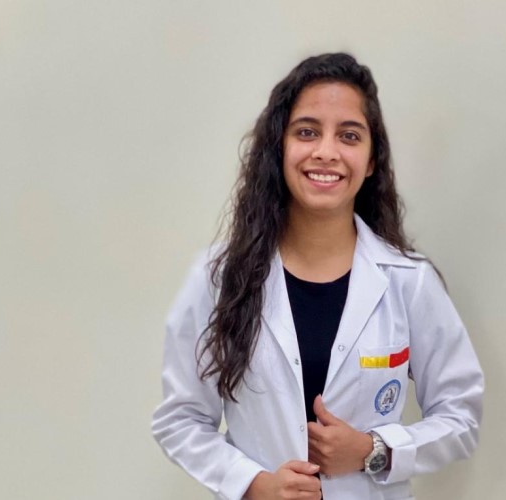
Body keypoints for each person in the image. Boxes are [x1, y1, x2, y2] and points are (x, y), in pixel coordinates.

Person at [151, 52, 484, 500]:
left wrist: (373, 450)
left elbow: (461, 415)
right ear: (279, 148)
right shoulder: (218, 278)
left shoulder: (409, 281)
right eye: (307, 132)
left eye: (349, 135)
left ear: (371, 160)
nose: (326, 152)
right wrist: (254, 485)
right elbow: (180, 419)